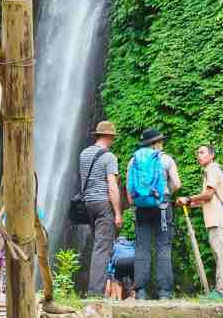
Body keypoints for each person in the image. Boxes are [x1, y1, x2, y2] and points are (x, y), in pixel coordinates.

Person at [125, 127, 181, 300]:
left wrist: (135, 203)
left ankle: (141, 292)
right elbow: (177, 184)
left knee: (142, 248)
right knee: (163, 247)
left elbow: (129, 189)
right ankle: (165, 292)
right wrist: (165, 196)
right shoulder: (166, 159)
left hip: (141, 208)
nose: (162, 144)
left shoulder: (133, 160)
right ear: (156, 143)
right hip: (162, 206)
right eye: (161, 141)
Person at [178, 145, 223, 298]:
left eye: (202, 152)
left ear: (211, 155)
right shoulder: (210, 171)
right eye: (197, 153)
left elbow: (209, 194)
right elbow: (207, 199)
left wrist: (189, 198)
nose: (199, 155)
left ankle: (221, 290)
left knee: (221, 255)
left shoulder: (212, 169)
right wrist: (190, 203)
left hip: (217, 220)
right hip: (218, 220)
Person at [77, 121, 123, 298]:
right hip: (103, 203)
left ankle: (96, 288)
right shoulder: (109, 157)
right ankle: (95, 292)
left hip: (88, 203)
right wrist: (118, 212)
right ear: (109, 136)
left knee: (98, 245)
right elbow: (112, 186)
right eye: (112, 138)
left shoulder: (84, 154)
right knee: (102, 247)